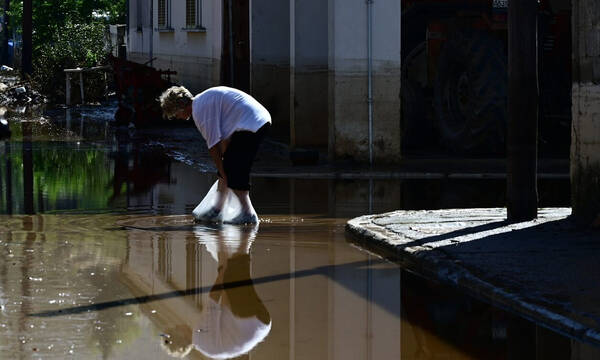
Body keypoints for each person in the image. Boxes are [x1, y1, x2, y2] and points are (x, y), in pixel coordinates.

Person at [159, 86, 271, 224]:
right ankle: (217, 209)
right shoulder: (202, 101)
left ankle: (247, 213)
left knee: (233, 170)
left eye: (176, 115)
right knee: (229, 167)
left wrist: (224, 170)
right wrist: (223, 169)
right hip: (256, 120)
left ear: (180, 108)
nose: (178, 118)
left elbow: (213, 146)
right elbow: (224, 139)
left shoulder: (200, 111)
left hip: (253, 124)